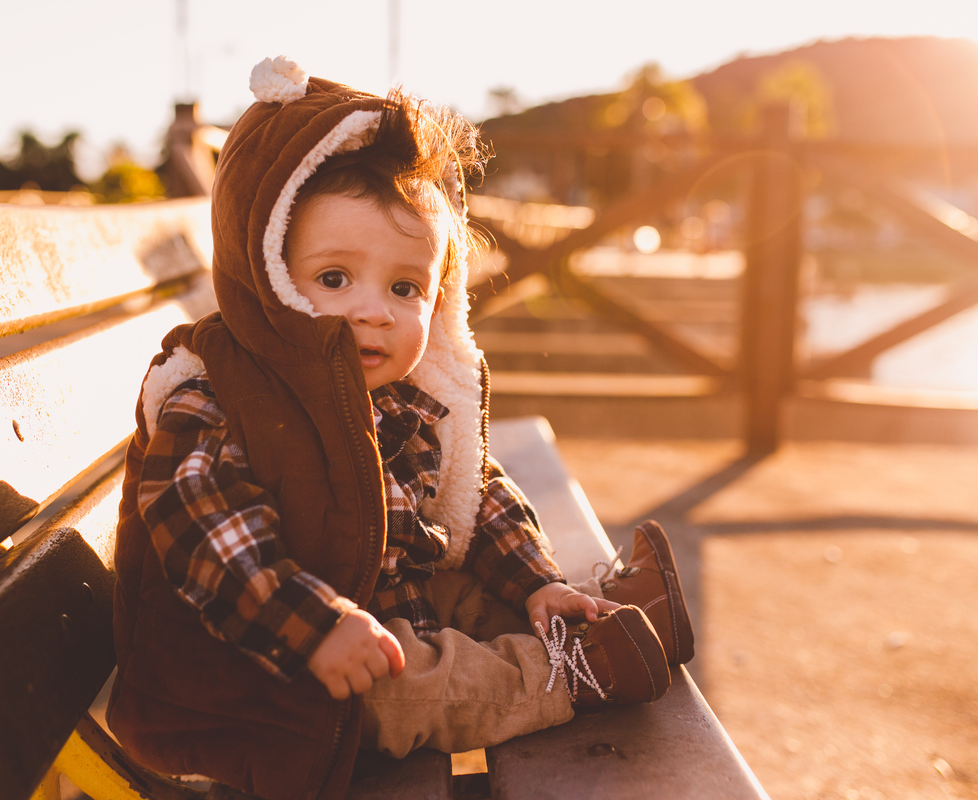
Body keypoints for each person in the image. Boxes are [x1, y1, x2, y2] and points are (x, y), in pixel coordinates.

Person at [106, 56, 695, 800]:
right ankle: (573, 673)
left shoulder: (393, 395)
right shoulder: (217, 395)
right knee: (420, 685)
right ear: (267, 275)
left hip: (379, 605)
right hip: (264, 677)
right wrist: (317, 626)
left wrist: (537, 581)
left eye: (405, 287)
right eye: (334, 279)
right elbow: (209, 535)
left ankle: (593, 615)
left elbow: (474, 495)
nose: (374, 311)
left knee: (479, 592)